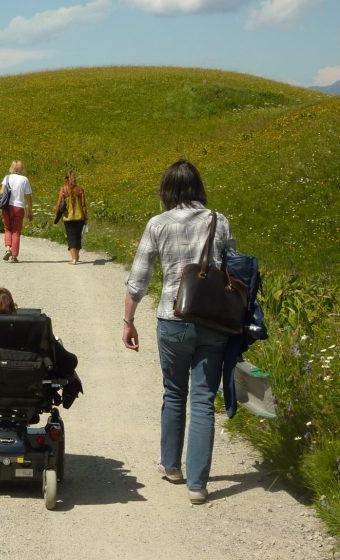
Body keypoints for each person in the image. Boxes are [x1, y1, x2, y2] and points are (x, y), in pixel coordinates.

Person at [122, 159, 236, 505]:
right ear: (198, 187)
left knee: (174, 392)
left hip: (172, 318)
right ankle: (198, 486)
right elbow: (233, 270)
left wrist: (128, 321)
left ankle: (172, 466)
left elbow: (138, 278)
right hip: (214, 321)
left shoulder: (158, 224)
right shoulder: (220, 221)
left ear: (167, 190)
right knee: (203, 399)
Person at [0, 160, 33, 263]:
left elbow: (1, 191)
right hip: (19, 207)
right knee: (16, 232)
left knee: (8, 229)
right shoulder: (25, 180)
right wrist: (30, 211)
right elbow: (28, 197)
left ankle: (8, 248)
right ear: (22, 168)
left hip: (7, 207)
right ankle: (14, 256)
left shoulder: (7, 177)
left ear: (12, 168)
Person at [55, 171, 88, 265]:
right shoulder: (80, 189)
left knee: (71, 237)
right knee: (78, 237)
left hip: (68, 217)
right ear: (75, 179)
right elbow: (84, 205)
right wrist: (86, 217)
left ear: (66, 179)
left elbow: (59, 203)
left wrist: (57, 214)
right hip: (80, 217)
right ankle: (76, 256)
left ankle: (73, 259)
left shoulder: (63, 189)